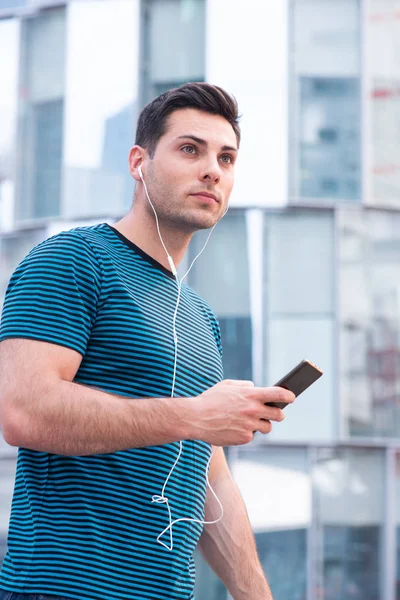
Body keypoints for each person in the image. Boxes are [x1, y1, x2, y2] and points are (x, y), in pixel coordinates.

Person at [0, 82, 295, 600]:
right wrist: (196, 415)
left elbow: (211, 479)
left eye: (227, 158)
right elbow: (23, 410)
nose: (213, 170)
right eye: (190, 149)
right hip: (61, 589)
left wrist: (257, 595)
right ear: (140, 161)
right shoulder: (71, 260)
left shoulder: (200, 315)